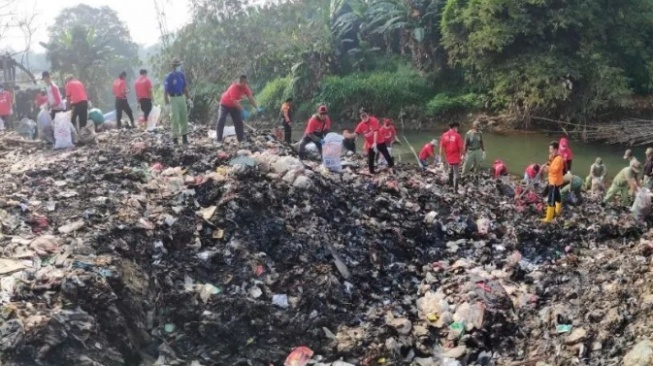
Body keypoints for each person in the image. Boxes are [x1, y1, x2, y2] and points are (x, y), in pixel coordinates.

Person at [343, 108, 394, 174]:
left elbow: (376, 131)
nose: (364, 117)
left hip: (379, 141)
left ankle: (391, 166)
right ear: (360, 117)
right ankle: (372, 172)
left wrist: (375, 143)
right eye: (362, 116)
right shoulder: (360, 125)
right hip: (371, 144)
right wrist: (347, 135)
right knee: (371, 158)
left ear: (368, 115)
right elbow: (354, 134)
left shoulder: (374, 120)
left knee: (386, 154)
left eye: (365, 115)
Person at [216, 75, 262, 145]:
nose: (245, 84)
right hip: (224, 104)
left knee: (238, 121)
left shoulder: (245, 87)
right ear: (240, 82)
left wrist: (257, 107)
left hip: (234, 106)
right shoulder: (233, 87)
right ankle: (219, 139)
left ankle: (241, 140)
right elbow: (234, 101)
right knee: (221, 119)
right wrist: (243, 110)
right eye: (244, 83)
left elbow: (250, 98)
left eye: (246, 83)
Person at [164, 58, 193, 145]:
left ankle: (184, 137)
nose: (179, 67)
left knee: (184, 117)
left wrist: (189, 99)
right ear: (173, 66)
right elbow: (165, 91)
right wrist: (167, 104)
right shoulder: (169, 76)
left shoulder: (181, 75)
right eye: (178, 65)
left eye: (179, 65)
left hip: (181, 97)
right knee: (175, 118)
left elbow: (184, 88)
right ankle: (175, 138)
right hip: (173, 98)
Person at [541, 141, 565, 223]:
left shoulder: (559, 159)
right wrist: (544, 167)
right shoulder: (552, 156)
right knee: (557, 196)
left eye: (551, 149)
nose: (549, 150)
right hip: (552, 180)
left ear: (555, 149)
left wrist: (547, 169)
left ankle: (549, 218)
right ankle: (558, 211)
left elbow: (555, 170)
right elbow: (548, 164)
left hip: (555, 181)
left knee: (551, 199)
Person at [440, 121, 464, 193]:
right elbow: (461, 148)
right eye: (457, 128)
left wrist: (442, 157)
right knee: (456, 173)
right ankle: (455, 190)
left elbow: (441, 148)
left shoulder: (444, 135)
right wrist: (464, 155)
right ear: (455, 127)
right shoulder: (457, 135)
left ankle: (450, 185)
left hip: (448, 157)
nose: (458, 129)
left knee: (450, 170)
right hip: (455, 157)